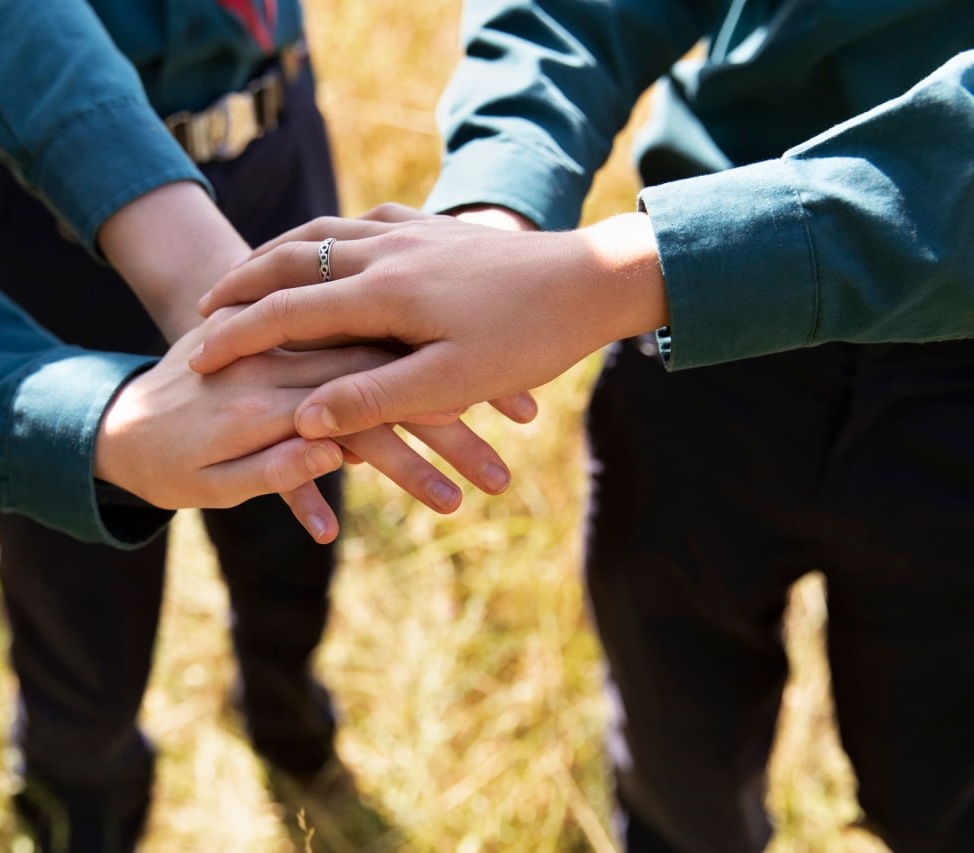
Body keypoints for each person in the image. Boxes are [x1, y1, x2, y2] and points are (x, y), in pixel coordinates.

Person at [0, 1, 510, 849]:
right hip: (43, 202)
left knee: (301, 514)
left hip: (272, 133)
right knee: (81, 594)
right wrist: (160, 354)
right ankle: (85, 812)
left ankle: (287, 717)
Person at [191, 4, 974, 849]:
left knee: (944, 793)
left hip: (870, 350)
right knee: (678, 768)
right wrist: (495, 213)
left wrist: (617, 276)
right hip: (700, 355)